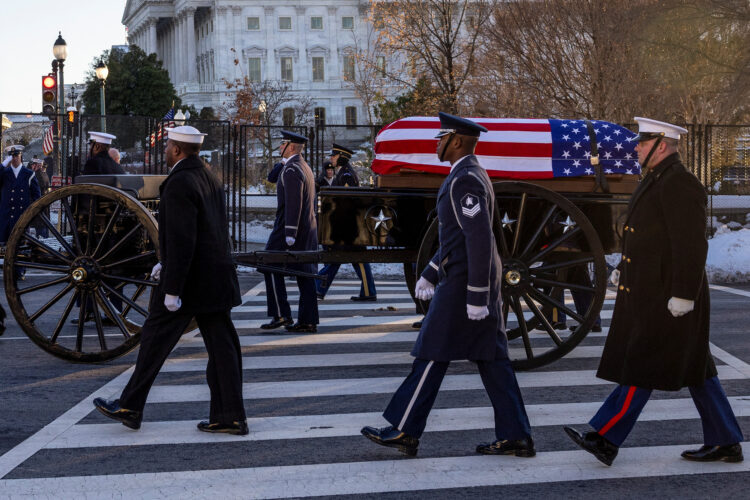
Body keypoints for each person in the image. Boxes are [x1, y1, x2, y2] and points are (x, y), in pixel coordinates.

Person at [564, 117, 744, 466]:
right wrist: (623, 268)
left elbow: (690, 246)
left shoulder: (680, 184)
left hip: (669, 297)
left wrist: (683, 295)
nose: (636, 147)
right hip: (651, 291)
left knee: (641, 362)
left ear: (661, 145)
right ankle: (725, 439)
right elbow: (645, 235)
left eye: (643, 143)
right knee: (697, 370)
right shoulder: (657, 180)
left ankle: (605, 436)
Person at [361, 112, 534, 457]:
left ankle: (405, 429)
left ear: (456, 141)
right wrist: (430, 269)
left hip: (465, 283)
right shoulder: (470, 175)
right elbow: (456, 236)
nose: (436, 143)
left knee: (431, 351)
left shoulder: (465, 179)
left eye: (441, 138)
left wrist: (476, 295)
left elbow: (480, 239)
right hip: (468, 276)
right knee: (492, 358)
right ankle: (517, 434)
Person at [93, 125, 247, 435]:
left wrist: (173, 287)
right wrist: (166, 264)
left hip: (191, 281)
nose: (165, 151)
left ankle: (130, 405)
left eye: (167, 147)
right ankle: (229, 415)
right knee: (223, 348)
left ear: (177, 150)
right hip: (214, 276)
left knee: (154, 340)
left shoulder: (179, 182)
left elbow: (181, 239)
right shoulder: (207, 175)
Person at [261, 130, 319, 333]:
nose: (279, 147)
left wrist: (290, 233)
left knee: (268, 264)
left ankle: (281, 314)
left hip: (290, 229)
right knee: (305, 275)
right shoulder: (298, 166)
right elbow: (271, 177)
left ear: (291, 147)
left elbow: (295, 204)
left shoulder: (293, 170)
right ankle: (307, 320)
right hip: (306, 230)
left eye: (282, 144)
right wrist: (282, 163)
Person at [316, 143, 377, 302]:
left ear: (341, 157)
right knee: (344, 259)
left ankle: (318, 287)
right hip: (349, 227)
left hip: (348, 227)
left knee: (349, 259)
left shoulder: (346, 175)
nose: (331, 158)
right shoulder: (343, 173)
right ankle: (367, 291)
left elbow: (346, 203)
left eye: (334, 156)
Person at [0, 145, 42, 246]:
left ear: (20, 156)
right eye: (11, 156)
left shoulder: (29, 174)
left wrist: (32, 215)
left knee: (20, 247)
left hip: (21, 217)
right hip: (6, 217)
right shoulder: (4, 173)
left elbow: (37, 196)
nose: (14, 158)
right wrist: (3, 164)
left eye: (16, 156)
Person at [30, 158, 50, 238]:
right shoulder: (44, 174)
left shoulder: (37, 175)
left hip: (39, 204)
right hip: (44, 203)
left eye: (34, 164)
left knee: (41, 228)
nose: (32, 166)